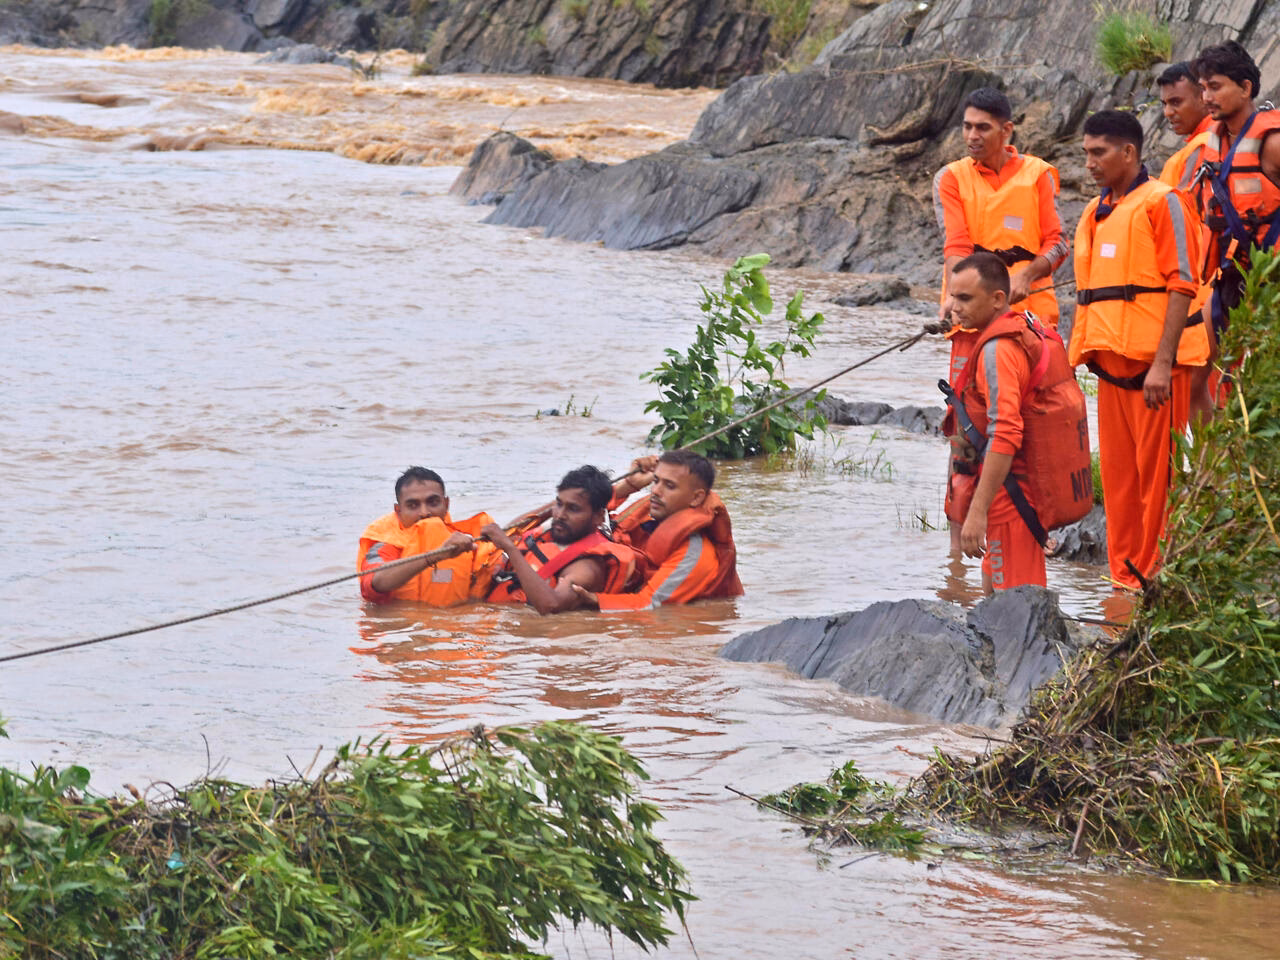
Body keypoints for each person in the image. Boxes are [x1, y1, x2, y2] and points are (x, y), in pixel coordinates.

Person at [1069, 109, 1205, 591]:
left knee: (1157, 482)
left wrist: (1163, 365)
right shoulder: (1095, 211)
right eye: (1086, 153)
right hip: (1111, 371)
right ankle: (1122, 584)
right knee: (1121, 483)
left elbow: (1183, 284)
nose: (1090, 163)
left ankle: (1155, 581)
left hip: (1155, 373)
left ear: (1128, 152)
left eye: (1099, 152)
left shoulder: (1163, 202)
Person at [933, 86, 1068, 551]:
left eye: (983, 128)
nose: (972, 136)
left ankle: (1030, 530)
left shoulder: (1037, 175)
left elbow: (1058, 242)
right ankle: (958, 551)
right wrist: (955, 300)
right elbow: (956, 245)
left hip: (1029, 324)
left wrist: (1028, 273)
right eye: (967, 127)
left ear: (1007, 130)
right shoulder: (952, 178)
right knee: (964, 431)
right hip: (969, 321)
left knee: (1030, 426)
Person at [941, 252, 1049, 592]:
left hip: (1011, 496)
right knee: (992, 598)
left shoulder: (998, 350)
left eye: (965, 298)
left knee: (1013, 608)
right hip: (1010, 491)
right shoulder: (1017, 329)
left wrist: (977, 512)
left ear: (998, 299)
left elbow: (1005, 433)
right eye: (953, 296)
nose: (954, 307)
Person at [1190, 41, 1280, 368]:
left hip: (1272, 278)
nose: (1206, 97)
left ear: (1245, 88)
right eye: (1203, 88)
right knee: (1208, 370)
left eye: (1215, 87)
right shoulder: (1213, 146)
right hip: (1232, 276)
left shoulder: (1272, 143)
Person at [573, 450, 743, 611]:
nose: (655, 490)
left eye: (669, 486)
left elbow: (648, 606)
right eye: (656, 481)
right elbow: (592, 517)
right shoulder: (651, 519)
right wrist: (629, 485)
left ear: (696, 497)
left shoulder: (695, 554)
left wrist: (593, 600)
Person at [481, 465, 637, 614]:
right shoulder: (556, 534)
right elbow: (513, 531)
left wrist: (510, 549)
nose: (560, 515)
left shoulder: (587, 567)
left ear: (598, 517)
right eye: (559, 504)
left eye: (573, 509)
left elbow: (550, 605)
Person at [1155, 61, 1215, 421]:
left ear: (1203, 97)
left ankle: (1214, 456)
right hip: (1204, 278)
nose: (1168, 112)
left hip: (1203, 282)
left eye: (1176, 102)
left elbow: (1185, 215)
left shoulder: (1204, 148)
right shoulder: (1198, 146)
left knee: (1195, 381)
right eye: (1164, 103)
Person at [358, 467, 500, 605]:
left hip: (456, 618)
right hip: (404, 621)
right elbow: (374, 582)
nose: (424, 512)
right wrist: (434, 556)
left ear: (446, 504)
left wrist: (507, 545)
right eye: (413, 505)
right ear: (398, 510)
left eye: (433, 502)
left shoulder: (469, 543)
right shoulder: (385, 546)